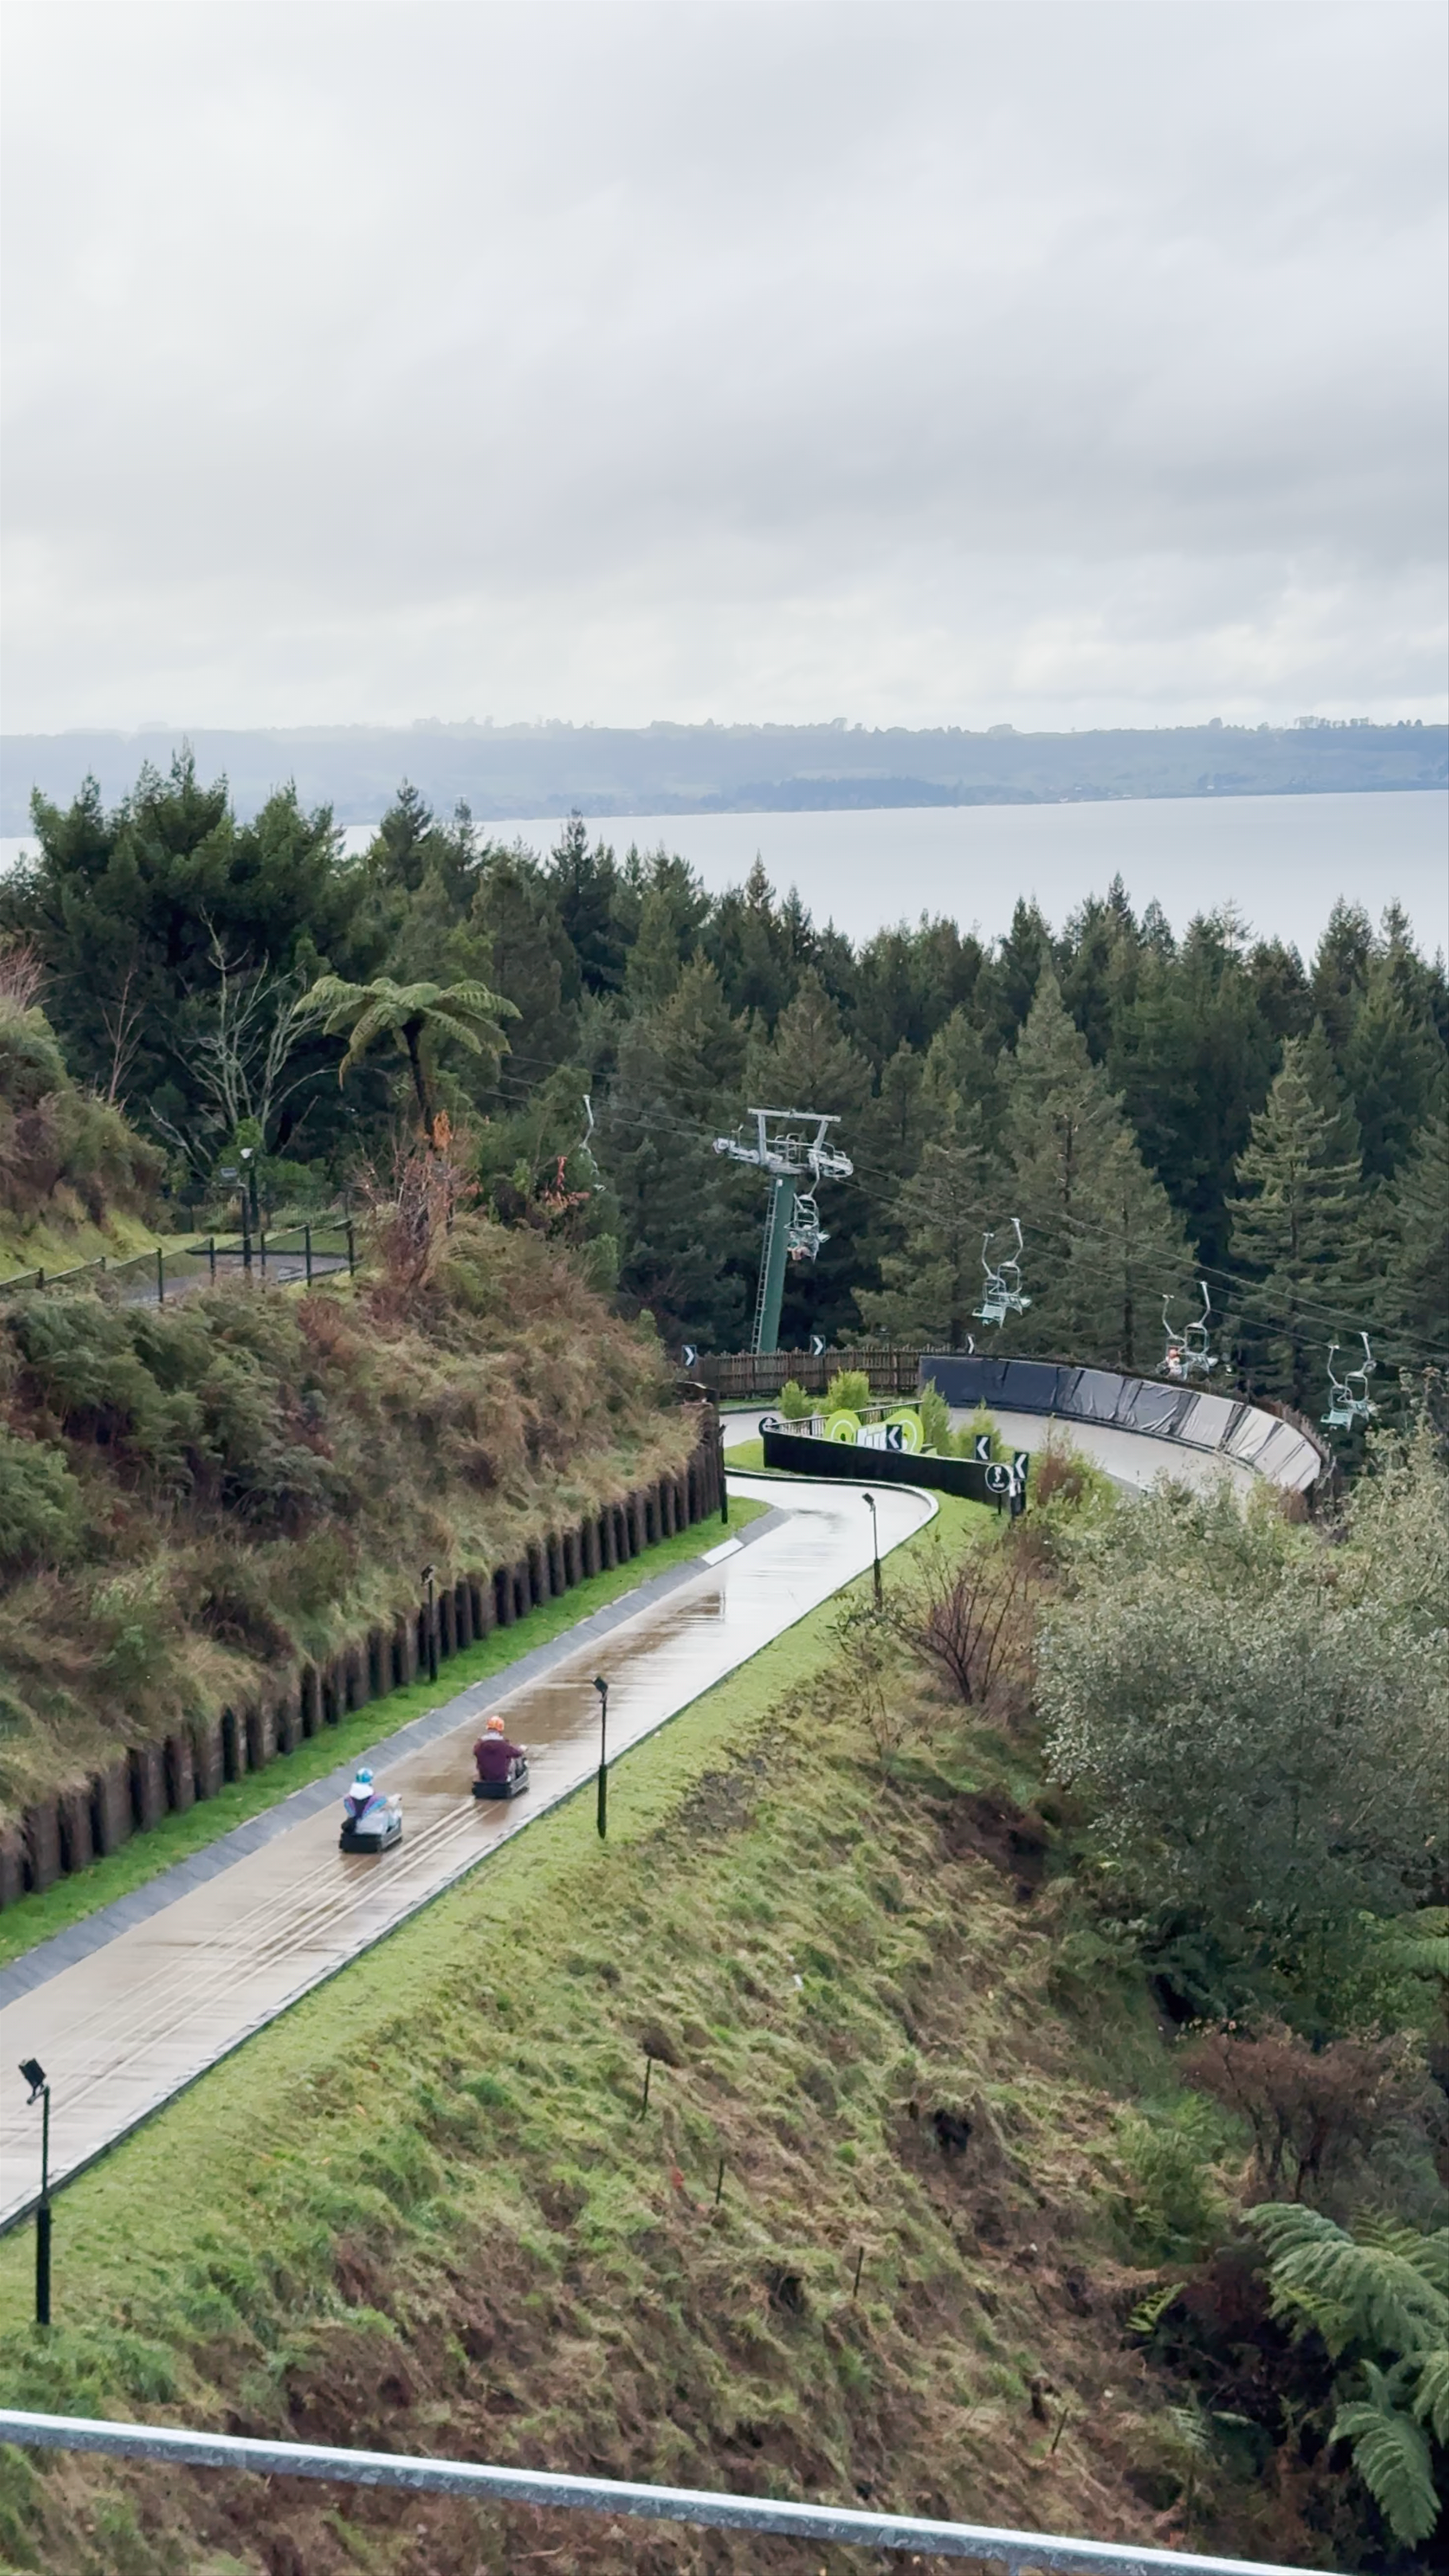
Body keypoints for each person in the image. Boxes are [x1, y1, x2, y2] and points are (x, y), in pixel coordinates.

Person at [474, 1713, 526, 1786]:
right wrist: (522, 1749)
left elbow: (475, 1753)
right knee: (515, 1760)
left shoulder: (480, 1745)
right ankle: (514, 1782)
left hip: (485, 1778)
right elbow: (517, 1753)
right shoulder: (504, 1745)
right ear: (501, 1730)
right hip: (501, 1779)